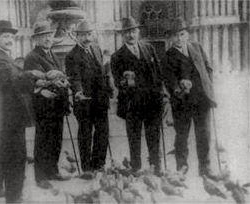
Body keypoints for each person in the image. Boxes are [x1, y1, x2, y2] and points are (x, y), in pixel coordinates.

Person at [162, 17, 217, 179]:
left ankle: (205, 168)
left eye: (182, 34)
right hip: (182, 103)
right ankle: (182, 168)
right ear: (171, 38)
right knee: (182, 137)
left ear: (187, 34)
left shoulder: (197, 47)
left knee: (204, 135)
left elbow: (208, 68)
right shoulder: (167, 56)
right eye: (175, 35)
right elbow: (169, 81)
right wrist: (179, 87)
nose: (179, 38)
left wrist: (208, 86)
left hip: (201, 101)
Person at [111, 16, 166, 176]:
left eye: (133, 31)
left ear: (138, 31)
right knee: (134, 137)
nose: (131, 35)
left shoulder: (149, 48)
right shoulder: (117, 56)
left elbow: (159, 74)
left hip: (152, 102)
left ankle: (156, 166)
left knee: (154, 134)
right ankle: (136, 168)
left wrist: (162, 95)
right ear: (123, 35)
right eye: (127, 32)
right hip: (132, 104)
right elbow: (117, 82)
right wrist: (125, 81)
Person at [0, 20, 32, 203]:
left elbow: (16, 78)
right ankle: (14, 197)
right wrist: (34, 77)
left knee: (1, 153)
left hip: (8, 116)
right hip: (10, 117)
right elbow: (14, 82)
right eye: (5, 36)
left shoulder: (3, 56)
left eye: (12, 36)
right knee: (16, 156)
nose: (10, 40)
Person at [24, 21, 70, 189]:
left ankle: (53, 170)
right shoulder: (32, 57)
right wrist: (52, 82)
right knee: (43, 139)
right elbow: (36, 80)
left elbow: (60, 75)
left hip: (57, 104)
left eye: (49, 35)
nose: (47, 39)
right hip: (44, 105)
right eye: (43, 36)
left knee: (56, 138)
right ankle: (41, 176)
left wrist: (63, 81)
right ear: (36, 39)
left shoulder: (53, 54)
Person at [66, 20, 113, 173]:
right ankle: (87, 167)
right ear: (76, 36)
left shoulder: (96, 48)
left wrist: (108, 87)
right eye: (83, 35)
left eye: (89, 34)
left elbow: (101, 73)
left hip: (100, 101)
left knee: (103, 133)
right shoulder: (72, 56)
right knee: (85, 134)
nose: (87, 38)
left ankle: (99, 164)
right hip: (84, 102)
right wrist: (78, 92)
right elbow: (74, 78)